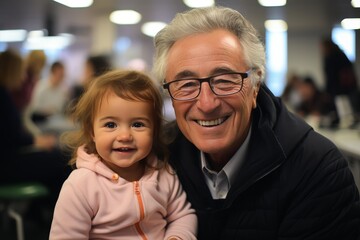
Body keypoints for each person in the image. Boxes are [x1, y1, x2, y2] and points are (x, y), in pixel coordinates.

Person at [153, 6, 360, 239]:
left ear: (255, 86)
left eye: (224, 80)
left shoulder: (318, 170)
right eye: (187, 84)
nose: (207, 103)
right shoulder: (151, 159)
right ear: (170, 93)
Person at [50, 70, 197, 239]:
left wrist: (176, 237)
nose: (125, 136)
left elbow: (183, 215)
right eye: (111, 125)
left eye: (137, 124)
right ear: (92, 132)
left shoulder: (163, 174)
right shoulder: (81, 185)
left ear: (154, 131)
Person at [0, 49, 71, 211]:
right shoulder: (2, 97)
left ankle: (40, 213)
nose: (23, 76)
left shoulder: (5, 94)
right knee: (60, 160)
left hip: (7, 159)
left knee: (56, 158)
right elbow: (9, 138)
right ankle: (55, 216)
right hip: (5, 165)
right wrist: (35, 141)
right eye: (20, 71)